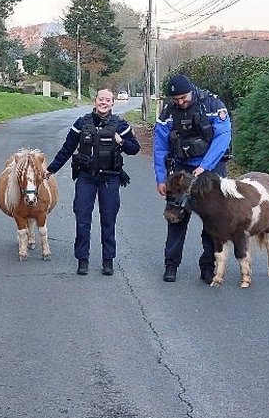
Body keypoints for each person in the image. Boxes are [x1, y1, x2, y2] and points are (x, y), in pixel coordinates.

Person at [47, 88, 141, 276]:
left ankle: (108, 260)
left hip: (110, 178)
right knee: (82, 218)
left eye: (108, 100)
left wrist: (121, 141)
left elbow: (134, 149)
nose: (104, 103)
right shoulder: (81, 123)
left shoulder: (120, 125)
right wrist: (51, 169)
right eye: (101, 99)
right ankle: (82, 260)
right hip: (86, 177)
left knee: (108, 220)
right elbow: (67, 149)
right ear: (95, 101)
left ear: (112, 103)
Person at [153, 73, 232, 283]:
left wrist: (204, 166)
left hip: (211, 168)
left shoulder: (213, 105)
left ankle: (208, 267)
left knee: (212, 221)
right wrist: (161, 179)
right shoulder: (168, 112)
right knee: (175, 217)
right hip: (181, 168)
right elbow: (160, 147)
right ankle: (171, 265)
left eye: (183, 98)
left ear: (191, 91)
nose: (180, 102)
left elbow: (223, 136)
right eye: (176, 99)